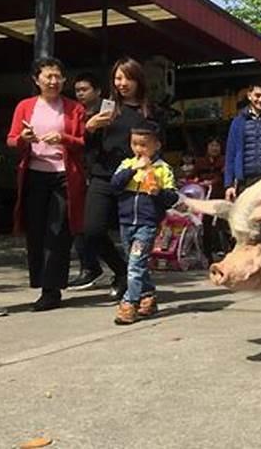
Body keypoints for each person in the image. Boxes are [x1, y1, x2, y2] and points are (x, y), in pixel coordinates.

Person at [6, 57, 86, 311]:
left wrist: (63, 138)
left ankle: (52, 290)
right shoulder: (25, 106)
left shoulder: (74, 108)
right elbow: (11, 140)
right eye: (48, 76)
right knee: (38, 231)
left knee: (59, 230)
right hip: (35, 175)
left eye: (57, 77)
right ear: (36, 79)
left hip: (64, 176)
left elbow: (83, 142)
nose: (53, 81)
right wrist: (23, 138)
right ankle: (41, 283)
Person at [83, 57, 162, 300]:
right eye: (118, 78)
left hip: (134, 182)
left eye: (128, 78)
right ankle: (121, 271)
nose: (122, 83)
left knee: (132, 236)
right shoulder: (105, 108)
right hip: (103, 176)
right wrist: (90, 128)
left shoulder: (150, 112)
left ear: (138, 80)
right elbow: (87, 146)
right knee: (91, 231)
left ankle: (137, 284)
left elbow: (157, 147)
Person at [110, 120, 178, 325]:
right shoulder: (127, 164)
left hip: (147, 224)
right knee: (135, 263)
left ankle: (129, 303)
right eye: (134, 144)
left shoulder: (163, 169)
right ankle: (148, 295)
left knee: (135, 264)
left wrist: (159, 193)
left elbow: (172, 197)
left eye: (144, 145)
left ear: (156, 145)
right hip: (126, 221)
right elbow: (114, 185)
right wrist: (132, 170)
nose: (139, 149)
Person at [68, 72, 105, 290]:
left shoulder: (106, 111)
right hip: (80, 172)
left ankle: (116, 269)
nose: (80, 94)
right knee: (80, 225)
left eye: (85, 89)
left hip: (101, 174)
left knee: (92, 226)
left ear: (98, 90)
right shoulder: (76, 112)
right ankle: (89, 266)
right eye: (77, 90)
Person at [195, 137, 228, 264]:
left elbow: (223, 177)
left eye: (217, 145)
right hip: (204, 198)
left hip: (219, 196)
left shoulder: (224, 161)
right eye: (211, 145)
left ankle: (225, 250)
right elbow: (194, 175)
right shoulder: (201, 161)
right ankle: (207, 254)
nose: (214, 148)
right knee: (206, 226)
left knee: (222, 225)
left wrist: (213, 182)